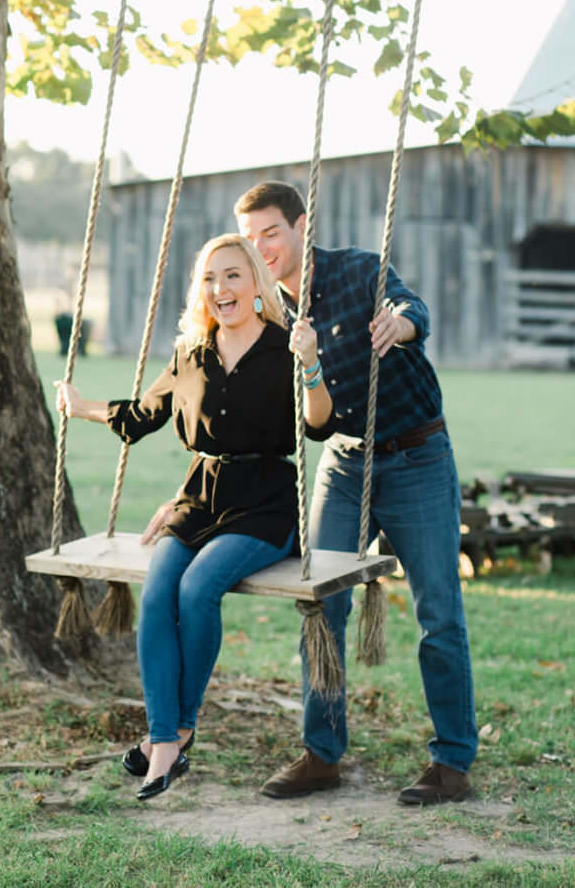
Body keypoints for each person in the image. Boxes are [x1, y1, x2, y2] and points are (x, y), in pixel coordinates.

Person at [55, 233, 329, 800]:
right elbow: (143, 415)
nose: (219, 288)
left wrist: (311, 365)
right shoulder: (191, 353)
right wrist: (81, 408)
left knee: (197, 588)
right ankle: (165, 740)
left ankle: (176, 732)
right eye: (209, 278)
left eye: (231, 275)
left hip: (266, 502)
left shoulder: (285, 347)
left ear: (255, 281)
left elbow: (319, 423)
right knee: (158, 594)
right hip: (201, 496)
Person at [234, 180, 478, 806]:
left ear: (299, 226)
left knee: (439, 613)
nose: (262, 248)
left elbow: (411, 304)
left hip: (418, 454)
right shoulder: (267, 312)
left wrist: (401, 324)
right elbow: (309, 422)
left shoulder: (358, 271)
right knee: (320, 605)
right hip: (344, 463)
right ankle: (322, 754)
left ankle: (452, 762)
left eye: (272, 233)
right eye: (252, 237)